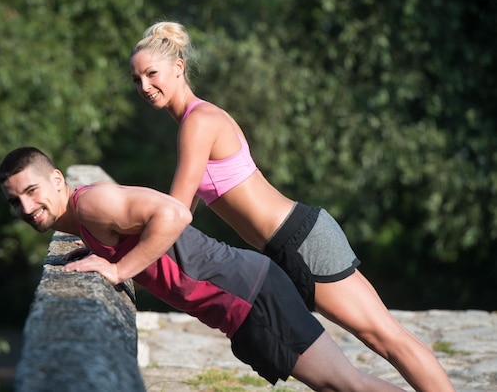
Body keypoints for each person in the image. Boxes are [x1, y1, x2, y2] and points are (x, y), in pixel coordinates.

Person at [129, 21, 454, 392]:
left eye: (151, 74)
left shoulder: (198, 122)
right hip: (288, 244)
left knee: (385, 337)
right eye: (136, 79)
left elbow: (177, 212)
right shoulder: (196, 121)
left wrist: (117, 248)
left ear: (179, 67)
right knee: (352, 365)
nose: (144, 86)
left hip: (300, 239)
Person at [0, 146, 404, 392]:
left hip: (248, 293)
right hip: (245, 294)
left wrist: (119, 271)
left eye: (32, 192)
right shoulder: (85, 218)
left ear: (55, 180)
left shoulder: (92, 204)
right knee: (339, 384)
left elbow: (174, 214)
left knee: (344, 383)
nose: (27, 208)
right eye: (16, 202)